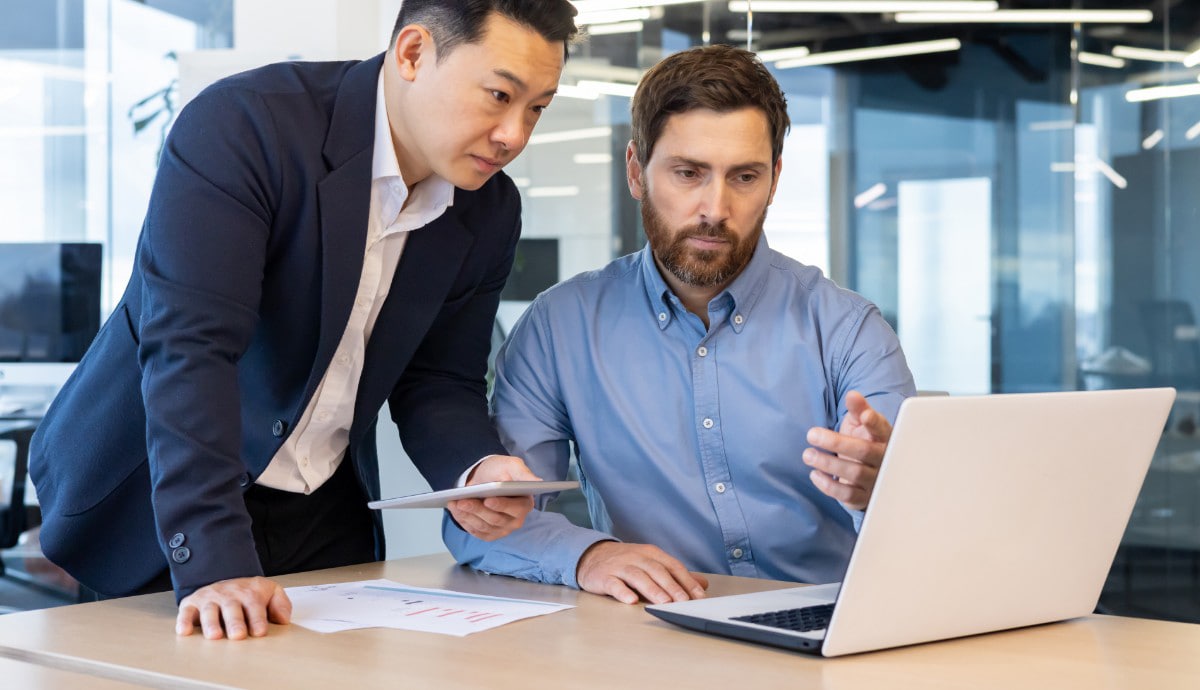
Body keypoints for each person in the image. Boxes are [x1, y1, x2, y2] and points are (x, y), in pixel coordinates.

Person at [29, 0, 578, 640]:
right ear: (412, 54)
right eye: (498, 95)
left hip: (323, 506)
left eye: (537, 108)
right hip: (164, 496)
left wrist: (474, 470)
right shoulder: (247, 126)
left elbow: (439, 380)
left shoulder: (486, 210)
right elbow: (192, 353)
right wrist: (214, 564)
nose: (515, 134)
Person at [444, 44, 916, 605]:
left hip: (824, 627)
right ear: (637, 171)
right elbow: (482, 520)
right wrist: (588, 555)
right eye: (688, 173)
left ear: (774, 179)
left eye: (744, 177)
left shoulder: (847, 329)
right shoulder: (559, 328)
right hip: (657, 632)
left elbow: (926, 527)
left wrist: (884, 491)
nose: (715, 208)